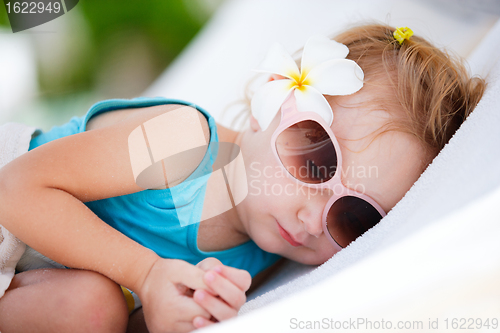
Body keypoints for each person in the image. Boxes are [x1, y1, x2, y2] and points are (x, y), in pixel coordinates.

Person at [0, 23, 485, 333]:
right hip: (13, 201)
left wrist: (169, 311)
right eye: (317, 161)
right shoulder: (180, 141)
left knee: (92, 310)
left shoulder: (263, 257)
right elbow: (17, 190)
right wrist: (146, 275)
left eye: (354, 217)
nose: (315, 219)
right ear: (272, 99)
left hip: (42, 281)